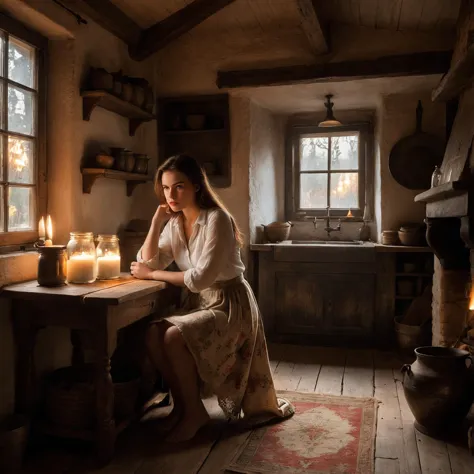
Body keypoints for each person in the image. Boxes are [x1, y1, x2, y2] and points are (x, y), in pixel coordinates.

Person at [131, 154, 294, 443]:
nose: (171, 195)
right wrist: (156, 223)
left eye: (178, 186)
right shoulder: (174, 223)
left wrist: (152, 275)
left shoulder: (217, 219)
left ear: (196, 185)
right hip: (199, 302)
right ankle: (185, 409)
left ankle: (193, 414)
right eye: (166, 188)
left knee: (172, 337)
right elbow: (147, 261)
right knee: (153, 334)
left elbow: (199, 278)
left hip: (230, 305)